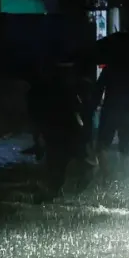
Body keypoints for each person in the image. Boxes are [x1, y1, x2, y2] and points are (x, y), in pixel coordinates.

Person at [26, 60, 86, 199]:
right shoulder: (68, 89)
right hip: (62, 133)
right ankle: (51, 192)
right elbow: (77, 111)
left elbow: (37, 114)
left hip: (54, 133)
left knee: (56, 164)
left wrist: (38, 136)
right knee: (61, 164)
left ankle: (50, 192)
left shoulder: (46, 88)